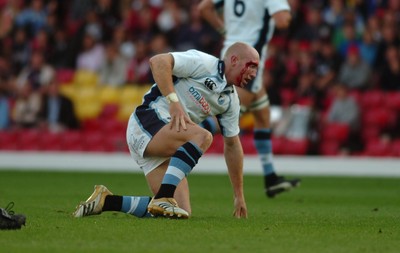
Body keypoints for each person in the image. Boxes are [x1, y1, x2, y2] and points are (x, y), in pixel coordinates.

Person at [73, 42, 259, 219]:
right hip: (147, 121)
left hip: (165, 136)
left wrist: (239, 195)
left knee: (180, 211)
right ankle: (164, 197)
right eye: (251, 65)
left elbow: (233, 145)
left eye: (256, 69)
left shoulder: (231, 102)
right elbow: (158, 61)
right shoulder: (204, 63)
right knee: (203, 136)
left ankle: (107, 201)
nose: (253, 73)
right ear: (234, 60)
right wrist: (174, 102)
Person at [198, 0, 300, 197]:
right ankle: (181, 140)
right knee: (226, 120)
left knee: (263, 114)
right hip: (249, 63)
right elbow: (282, 21)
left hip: (231, 54)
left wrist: (225, 31)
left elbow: (204, 8)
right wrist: (286, 9)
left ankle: (271, 177)